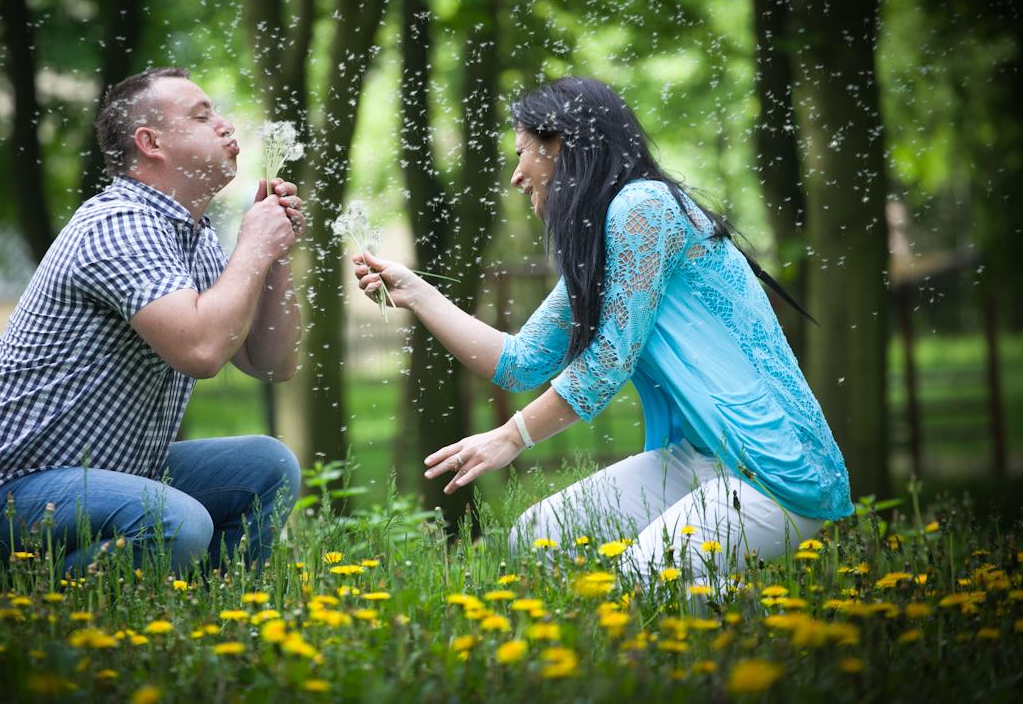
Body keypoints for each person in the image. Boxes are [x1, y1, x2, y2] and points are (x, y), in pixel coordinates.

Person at [352, 76, 852, 583]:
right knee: (539, 535)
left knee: (651, 579)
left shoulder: (644, 207)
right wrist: (417, 293)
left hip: (770, 467)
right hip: (699, 458)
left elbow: (610, 360)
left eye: (522, 152)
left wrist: (511, 436)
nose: (515, 176)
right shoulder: (609, 239)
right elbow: (518, 362)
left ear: (562, 145)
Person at [0, 66, 304, 575]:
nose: (224, 124)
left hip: (110, 477)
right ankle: (13, 605)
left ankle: (215, 614)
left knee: (268, 466)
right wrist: (255, 246)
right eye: (201, 116)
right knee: (177, 522)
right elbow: (200, 352)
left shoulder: (195, 238)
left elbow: (271, 363)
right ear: (151, 143)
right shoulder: (120, 223)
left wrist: (273, 256)